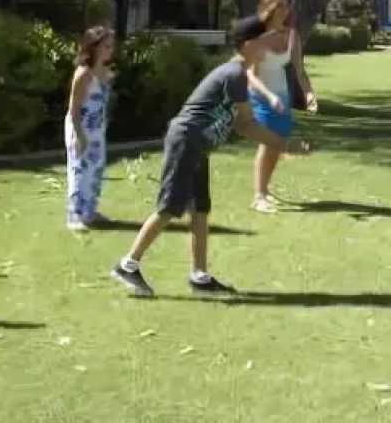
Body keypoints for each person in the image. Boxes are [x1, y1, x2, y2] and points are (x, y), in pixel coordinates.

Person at [110, 16, 310, 297]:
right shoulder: (235, 74)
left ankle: (200, 277)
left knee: (200, 209)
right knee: (169, 207)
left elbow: (245, 122)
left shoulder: (244, 73)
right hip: (187, 140)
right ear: (248, 45)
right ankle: (127, 265)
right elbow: (245, 125)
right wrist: (285, 145)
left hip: (198, 144)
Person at [249, 0, 319, 214]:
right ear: (269, 9)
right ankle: (258, 196)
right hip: (261, 95)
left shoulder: (292, 36)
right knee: (269, 142)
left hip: (282, 95)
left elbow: (299, 70)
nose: (285, 10)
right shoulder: (258, 38)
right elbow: (250, 74)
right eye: (280, 6)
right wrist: (268, 96)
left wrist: (308, 94)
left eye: (286, 6)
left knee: (278, 144)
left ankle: (265, 190)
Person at [65, 26, 116, 231]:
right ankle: (75, 215)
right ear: (94, 47)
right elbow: (74, 109)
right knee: (79, 168)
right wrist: (79, 135)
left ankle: (90, 211)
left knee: (95, 169)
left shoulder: (104, 72)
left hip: (97, 129)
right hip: (80, 127)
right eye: (106, 46)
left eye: (112, 46)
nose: (111, 50)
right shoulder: (83, 75)